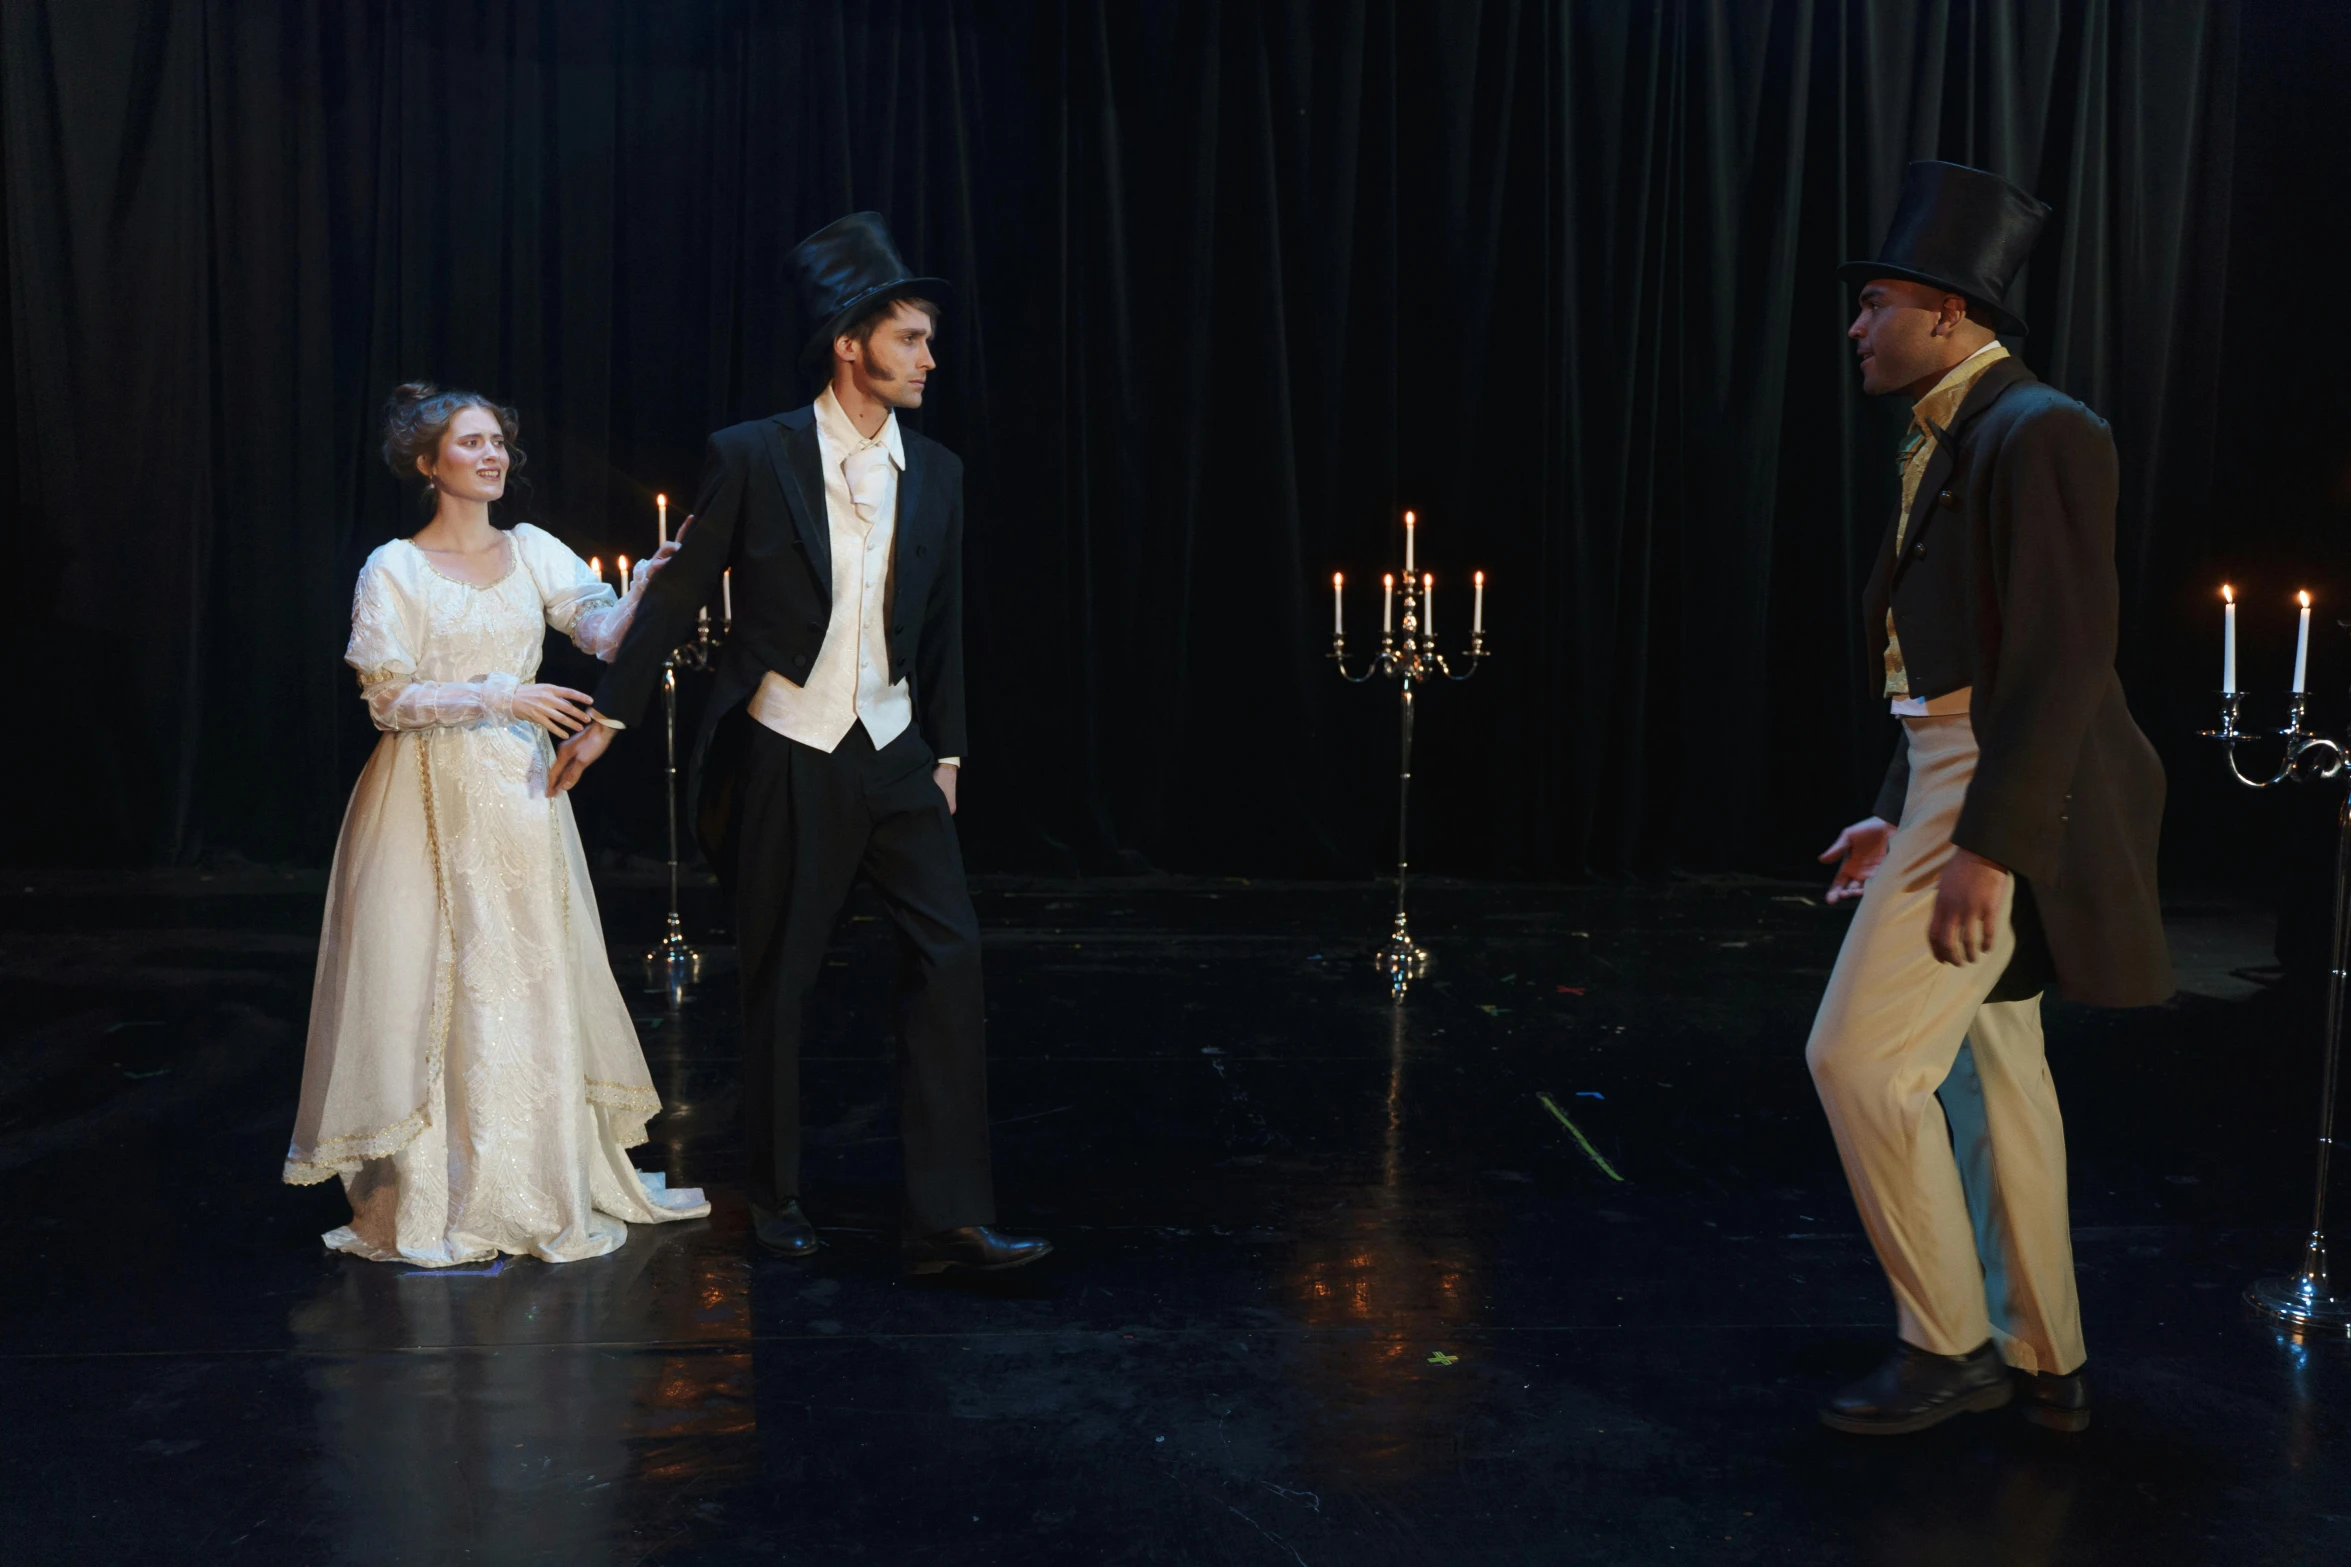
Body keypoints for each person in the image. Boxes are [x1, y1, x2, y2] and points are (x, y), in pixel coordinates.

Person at [547, 213, 1049, 1277]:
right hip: (789, 746)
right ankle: (773, 1196)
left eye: (926, 338)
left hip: (899, 749)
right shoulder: (754, 453)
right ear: (849, 343)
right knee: (780, 979)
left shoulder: (941, 470)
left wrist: (949, 753)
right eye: (909, 337)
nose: (927, 357)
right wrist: (607, 718)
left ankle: (946, 1221)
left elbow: (946, 620)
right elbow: (679, 594)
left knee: (948, 957)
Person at [1807, 162, 2172, 1435]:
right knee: (1992, 1065)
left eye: (1873, 306)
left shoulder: (2039, 429)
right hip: (1953, 770)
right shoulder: (1959, 429)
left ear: (1950, 316)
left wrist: (1985, 845)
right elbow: (1948, 662)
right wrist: (1897, 804)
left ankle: (1946, 1340)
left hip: (2004, 780)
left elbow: (2060, 656)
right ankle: (2039, 1349)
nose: (1854, 328)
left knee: (1855, 1059)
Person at [283, 383, 707, 1265]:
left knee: (523, 968)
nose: (492, 456)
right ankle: (440, 1187)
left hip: (516, 796)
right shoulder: (392, 566)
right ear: (428, 463)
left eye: (497, 442)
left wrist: (651, 589)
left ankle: (537, 1174)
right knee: (428, 975)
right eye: (470, 443)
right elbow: (388, 697)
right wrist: (500, 692)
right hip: (424, 794)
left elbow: (599, 631)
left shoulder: (532, 549)